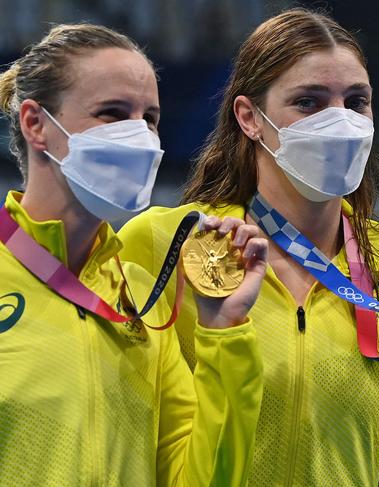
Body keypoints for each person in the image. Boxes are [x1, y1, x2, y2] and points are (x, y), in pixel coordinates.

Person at [118, 8, 379, 486]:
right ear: (249, 118)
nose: (339, 121)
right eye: (309, 103)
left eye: (356, 102)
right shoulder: (162, 246)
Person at [0, 23, 269, 486]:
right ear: (35, 124)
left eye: (149, 118)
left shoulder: (142, 300)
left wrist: (224, 332)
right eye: (112, 113)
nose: (139, 136)